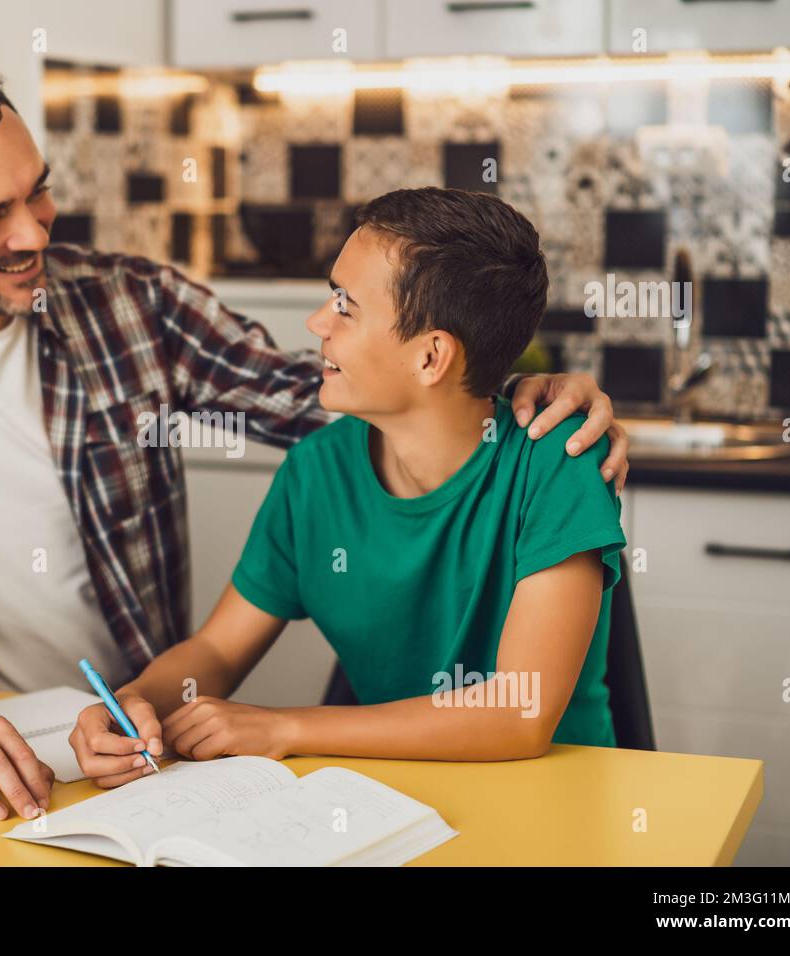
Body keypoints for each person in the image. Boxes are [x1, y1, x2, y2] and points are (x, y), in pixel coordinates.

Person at [0, 64, 630, 822]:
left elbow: (338, 397)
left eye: (38, 191)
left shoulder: (127, 303)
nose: (35, 232)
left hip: (137, 745)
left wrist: (506, 385)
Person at [70, 187, 627, 788]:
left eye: (345, 305)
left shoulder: (557, 461)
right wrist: (134, 703)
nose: (317, 323)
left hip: (552, 799)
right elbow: (218, 651)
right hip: (393, 797)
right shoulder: (315, 471)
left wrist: (284, 727)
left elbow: (518, 716)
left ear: (432, 356)